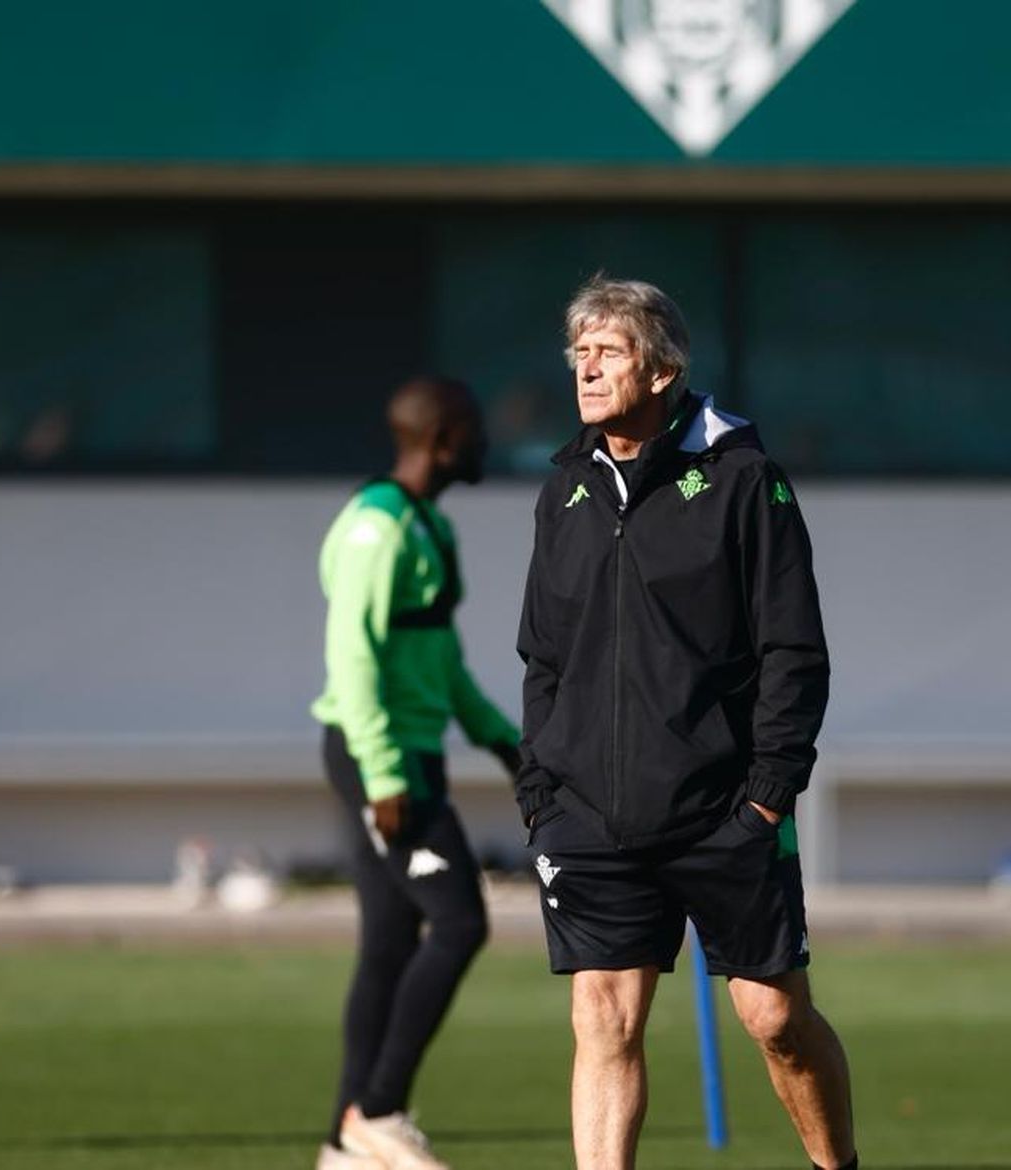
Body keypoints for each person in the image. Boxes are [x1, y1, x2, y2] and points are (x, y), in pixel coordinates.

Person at [516, 277, 857, 1170]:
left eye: (609, 352)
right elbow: (544, 657)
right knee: (603, 1017)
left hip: (724, 811)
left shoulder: (745, 479)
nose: (587, 370)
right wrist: (542, 789)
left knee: (774, 1019)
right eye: (579, 353)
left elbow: (794, 651)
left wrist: (767, 797)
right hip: (586, 813)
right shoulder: (564, 489)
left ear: (662, 370)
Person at [311, 377, 523, 1170]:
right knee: (460, 922)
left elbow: (442, 661)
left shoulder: (428, 525)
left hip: (408, 754)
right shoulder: (378, 529)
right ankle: (380, 1110)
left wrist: (503, 741)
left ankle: (344, 1144)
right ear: (441, 441)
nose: (485, 444)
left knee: (390, 943)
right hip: (383, 760)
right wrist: (385, 776)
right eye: (474, 430)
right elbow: (352, 657)